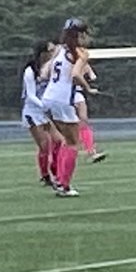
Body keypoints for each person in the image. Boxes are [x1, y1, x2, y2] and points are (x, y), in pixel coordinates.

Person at [41, 18, 98, 196]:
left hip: (48, 98)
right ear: (80, 35)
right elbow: (75, 75)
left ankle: (59, 180)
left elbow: (45, 73)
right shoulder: (81, 53)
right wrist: (88, 89)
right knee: (74, 143)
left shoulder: (59, 50)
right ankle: (64, 185)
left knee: (67, 140)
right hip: (62, 100)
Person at [21, 39, 64, 187]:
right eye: (50, 51)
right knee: (44, 145)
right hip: (32, 112)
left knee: (59, 141)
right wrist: (43, 105)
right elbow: (31, 95)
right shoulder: (30, 70)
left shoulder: (51, 69)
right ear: (43, 53)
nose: (53, 54)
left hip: (44, 112)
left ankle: (56, 170)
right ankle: (45, 176)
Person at [72, 61, 107, 164]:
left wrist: (86, 69)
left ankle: (91, 150)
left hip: (76, 94)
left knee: (83, 121)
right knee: (68, 125)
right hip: (65, 95)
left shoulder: (82, 63)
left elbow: (92, 77)